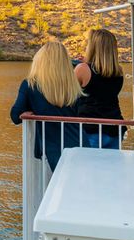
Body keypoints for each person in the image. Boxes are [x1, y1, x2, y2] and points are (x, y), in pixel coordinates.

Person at [10, 41, 83, 171]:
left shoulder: (30, 85)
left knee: (57, 188)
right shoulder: (72, 86)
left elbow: (15, 116)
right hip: (80, 145)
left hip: (53, 150)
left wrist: (28, 112)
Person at [74, 29, 125, 149]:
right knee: (110, 166)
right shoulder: (119, 71)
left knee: (89, 167)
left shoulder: (82, 69)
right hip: (114, 127)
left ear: (92, 47)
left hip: (90, 129)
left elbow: (67, 93)